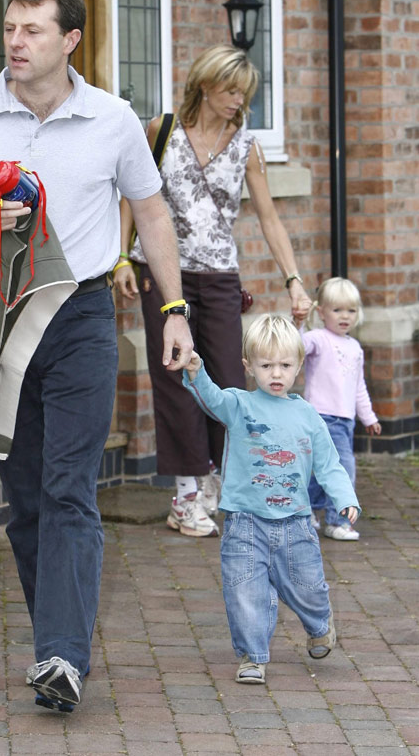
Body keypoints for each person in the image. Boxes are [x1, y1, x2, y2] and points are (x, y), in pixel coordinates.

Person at [0, 0, 193, 712]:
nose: (16, 41)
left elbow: (151, 212)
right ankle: (57, 646)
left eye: (33, 29)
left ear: (70, 39)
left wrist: (174, 309)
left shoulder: (112, 118)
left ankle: (63, 656)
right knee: (26, 501)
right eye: (11, 27)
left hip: (81, 318)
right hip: (0, 324)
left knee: (69, 487)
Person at [114, 44, 312, 538]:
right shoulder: (161, 131)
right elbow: (132, 198)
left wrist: (293, 279)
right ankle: (185, 496)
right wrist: (120, 257)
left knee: (226, 379)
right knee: (176, 376)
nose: (238, 101)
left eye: (244, 94)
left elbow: (269, 217)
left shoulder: (247, 147)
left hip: (221, 275)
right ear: (205, 85)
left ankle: (217, 482)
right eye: (230, 90)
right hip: (163, 274)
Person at [182, 314, 361, 685]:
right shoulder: (239, 405)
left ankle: (319, 624)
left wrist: (345, 498)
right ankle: (253, 656)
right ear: (249, 366)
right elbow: (210, 398)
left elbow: (329, 464)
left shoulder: (308, 415)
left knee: (308, 588)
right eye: (266, 366)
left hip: (296, 522)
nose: (276, 373)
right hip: (244, 522)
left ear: (299, 365)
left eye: (284, 365)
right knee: (244, 589)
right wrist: (197, 371)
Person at [297, 277, 381, 541]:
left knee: (324, 471)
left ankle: (306, 510)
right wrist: (298, 323)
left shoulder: (355, 347)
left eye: (351, 310)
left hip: (346, 422)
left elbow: (358, 386)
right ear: (321, 312)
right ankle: (338, 521)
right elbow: (297, 348)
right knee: (343, 469)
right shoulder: (318, 338)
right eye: (337, 310)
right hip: (321, 417)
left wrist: (368, 417)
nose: (345, 316)